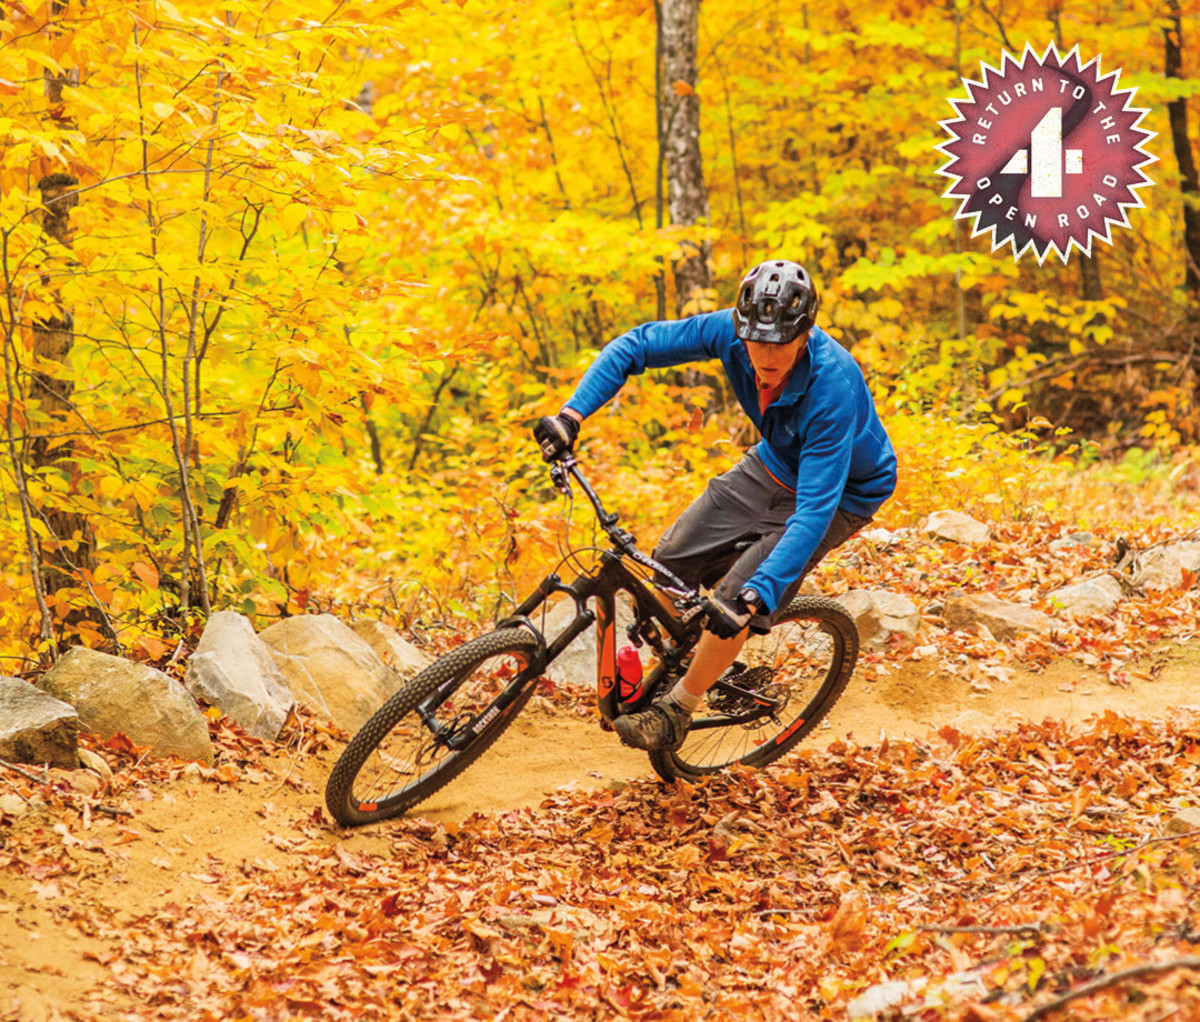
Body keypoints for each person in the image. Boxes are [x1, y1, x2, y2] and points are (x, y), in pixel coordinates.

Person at [533, 259, 897, 752]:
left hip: (844, 490)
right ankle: (695, 649)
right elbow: (635, 346)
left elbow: (813, 511)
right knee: (669, 560)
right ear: (741, 328)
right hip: (774, 461)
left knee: (737, 597)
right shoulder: (728, 332)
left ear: (806, 334)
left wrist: (756, 595)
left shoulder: (832, 387)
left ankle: (678, 707)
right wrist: (571, 416)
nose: (764, 355)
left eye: (780, 343)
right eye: (755, 341)